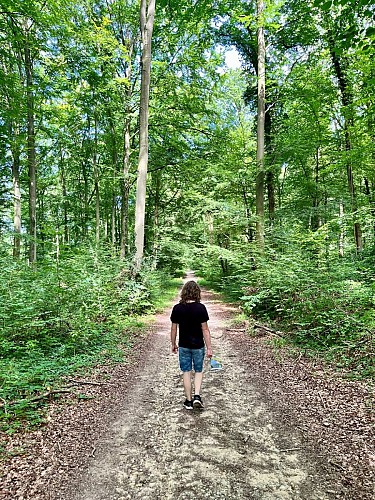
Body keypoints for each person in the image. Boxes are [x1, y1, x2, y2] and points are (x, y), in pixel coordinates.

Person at [170, 280, 212, 410]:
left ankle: (188, 401)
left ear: (184, 292)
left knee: (186, 372)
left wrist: (173, 344)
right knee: (198, 371)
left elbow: (173, 328)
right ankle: (197, 396)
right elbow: (205, 329)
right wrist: (209, 347)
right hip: (198, 346)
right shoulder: (201, 308)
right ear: (197, 293)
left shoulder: (177, 308)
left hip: (184, 345)